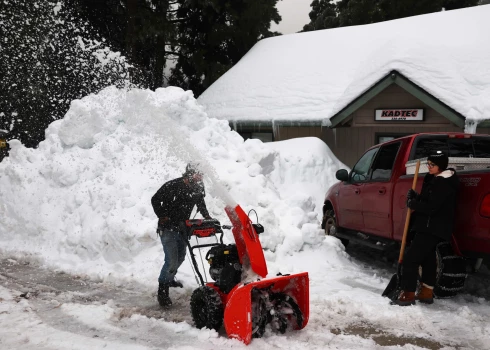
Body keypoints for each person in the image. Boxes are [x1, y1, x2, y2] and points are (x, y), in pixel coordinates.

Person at [392, 151, 459, 306]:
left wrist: (413, 204)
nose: (428, 167)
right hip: (427, 226)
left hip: (433, 227)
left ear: (441, 166)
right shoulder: (433, 179)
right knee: (428, 260)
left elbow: (433, 207)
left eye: (432, 165)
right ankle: (426, 293)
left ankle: (407, 294)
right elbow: (428, 199)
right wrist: (416, 197)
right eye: (428, 163)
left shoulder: (444, 182)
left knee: (411, 259)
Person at [151, 162, 211, 307]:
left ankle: (169, 278)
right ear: (190, 174)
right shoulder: (172, 185)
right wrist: (162, 215)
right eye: (198, 174)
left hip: (182, 228)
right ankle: (162, 291)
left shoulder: (197, 188)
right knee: (171, 260)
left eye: (201, 174)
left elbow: (201, 204)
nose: (200, 177)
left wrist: (208, 218)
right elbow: (155, 199)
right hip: (168, 229)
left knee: (181, 257)